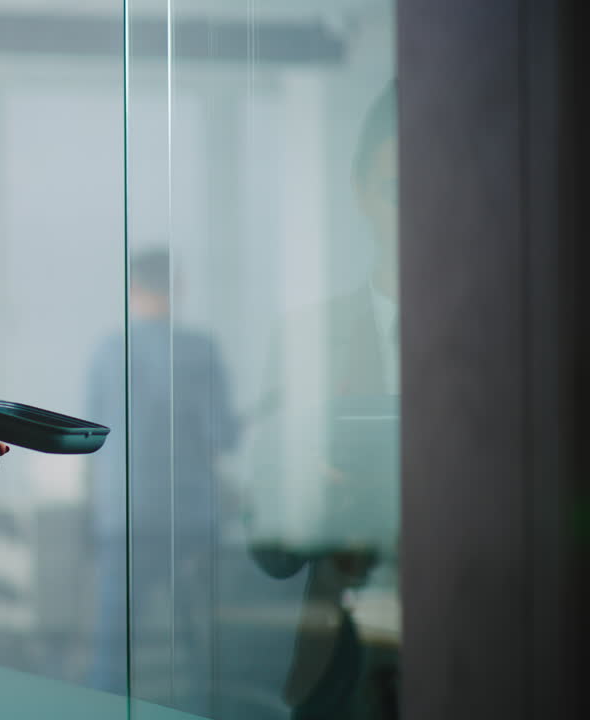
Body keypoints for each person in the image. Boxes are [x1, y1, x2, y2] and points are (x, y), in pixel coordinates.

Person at [246, 79, 401, 720]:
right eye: (398, 192)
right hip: (343, 671)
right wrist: (303, 497)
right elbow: (270, 547)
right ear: (362, 195)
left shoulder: (522, 342)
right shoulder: (307, 338)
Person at [83, 248, 241, 710]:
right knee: (199, 650)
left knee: (113, 651)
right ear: (179, 286)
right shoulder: (200, 350)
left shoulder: (109, 352)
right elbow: (223, 436)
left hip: (124, 518)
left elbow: (89, 437)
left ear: (134, 290)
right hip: (190, 517)